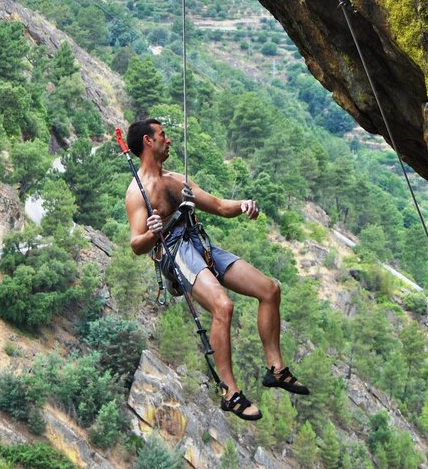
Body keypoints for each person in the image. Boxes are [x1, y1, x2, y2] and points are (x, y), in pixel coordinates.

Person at [124, 118, 309, 421]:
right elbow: (136, 244)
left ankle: (276, 369)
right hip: (175, 252)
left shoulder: (177, 180)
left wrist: (244, 205)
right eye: (163, 135)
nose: (168, 140)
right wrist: (151, 231)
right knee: (223, 306)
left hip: (199, 243)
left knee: (270, 289)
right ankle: (230, 392)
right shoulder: (137, 192)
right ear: (148, 141)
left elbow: (221, 207)